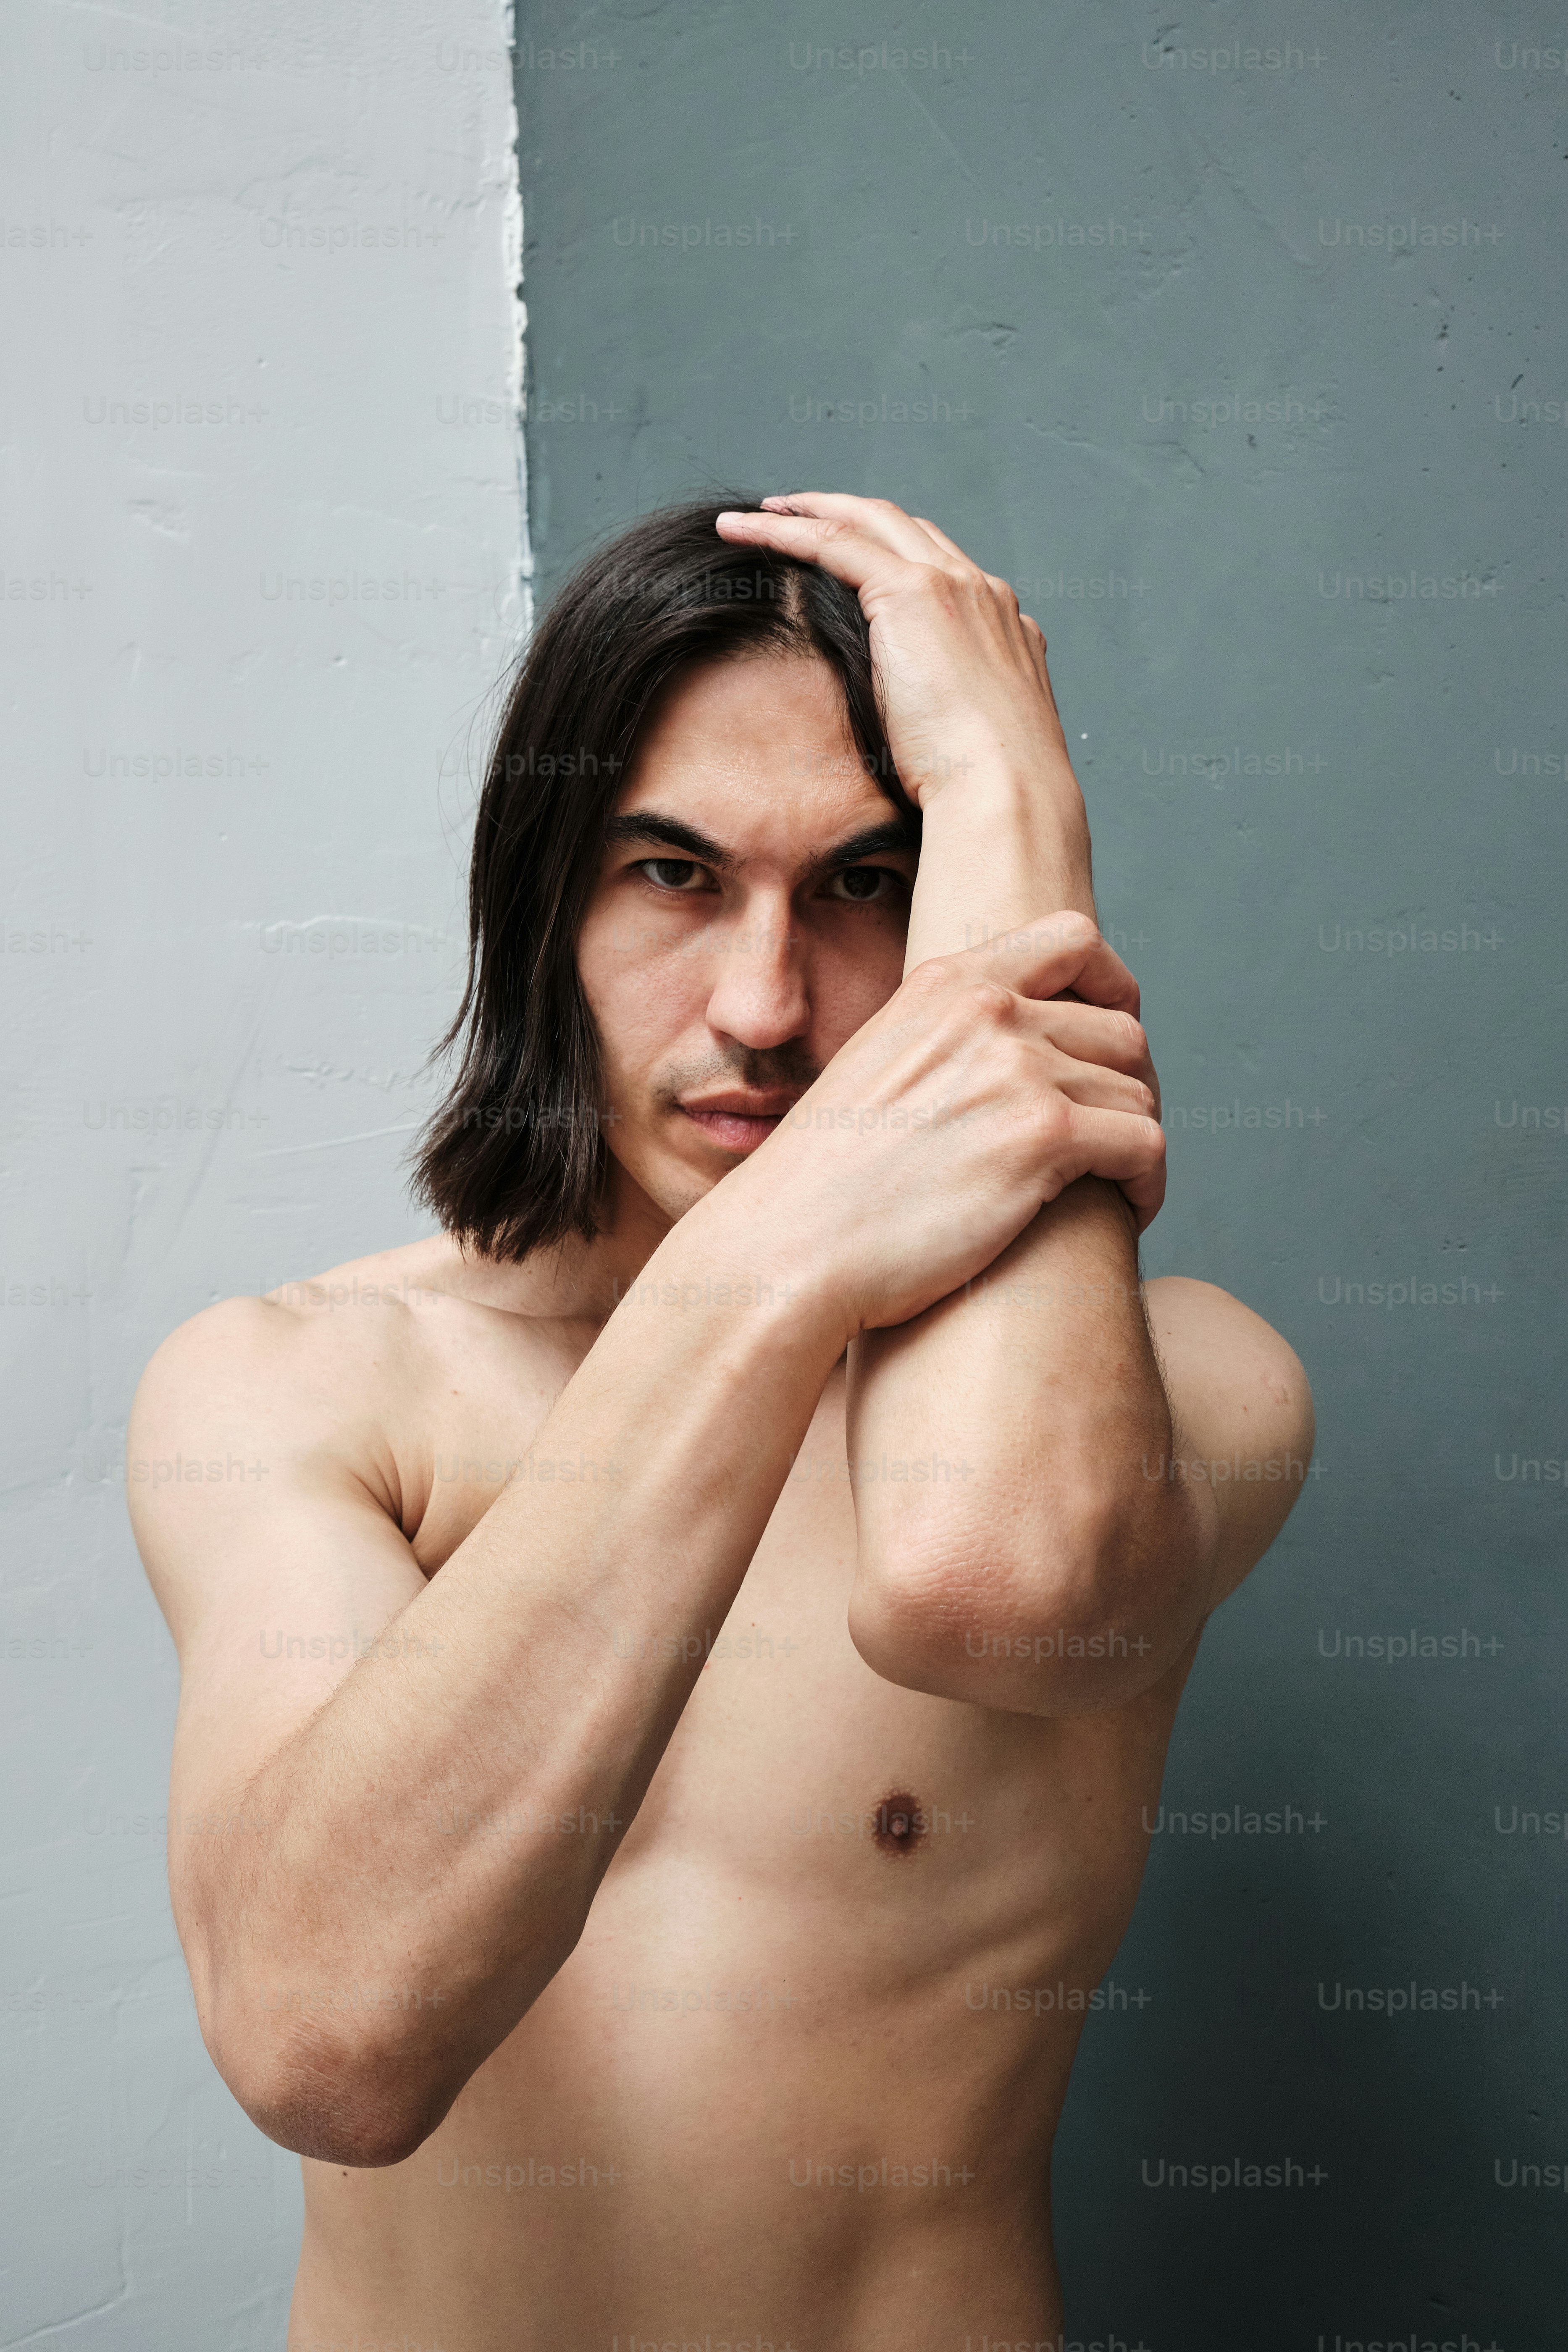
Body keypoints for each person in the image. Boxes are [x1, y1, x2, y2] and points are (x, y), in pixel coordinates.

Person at [130, 491, 1314, 2351]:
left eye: (866, 885)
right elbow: (327, 2041)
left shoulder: (1190, 1394)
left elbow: (986, 1585)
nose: (763, 1007)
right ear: (544, 901)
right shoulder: (305, 1382)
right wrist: (783, 1257)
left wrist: (1013, 801)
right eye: (672, 875)